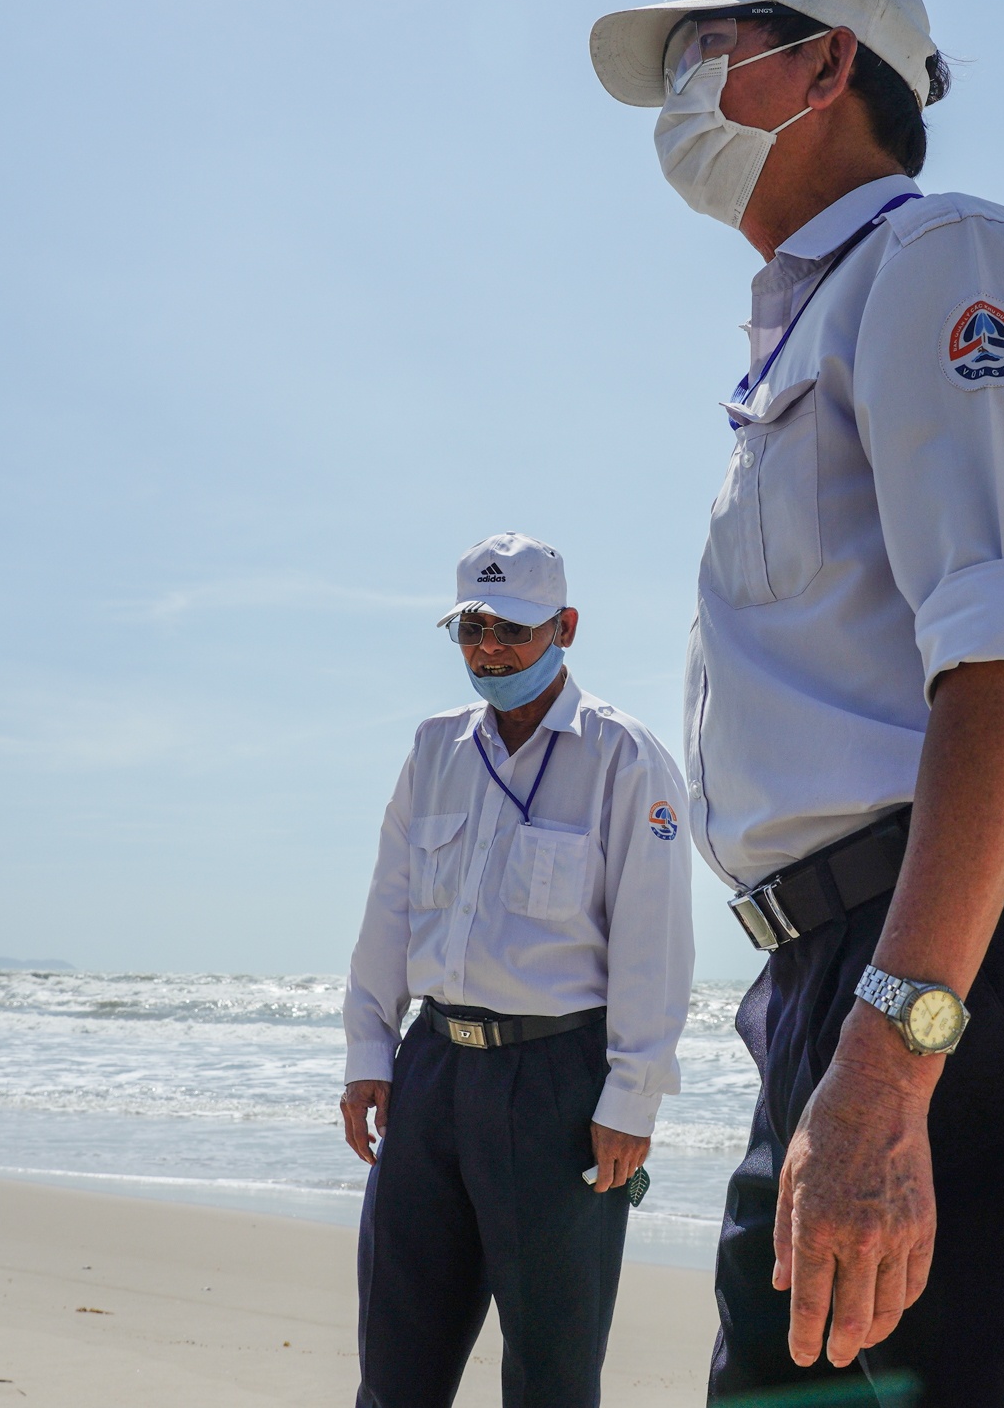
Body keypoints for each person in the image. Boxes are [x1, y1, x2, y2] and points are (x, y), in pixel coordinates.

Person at [589, 0, 1004, 1406]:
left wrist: (895, 1052)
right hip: (862, 959)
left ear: (829, 60)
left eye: (706, 50)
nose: (684, 89)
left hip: (961, 941)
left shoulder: (943, 256)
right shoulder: (814, 319)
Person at [341, 533, 694, 1408]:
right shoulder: (434, 750)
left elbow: (656, 944)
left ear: (565, 626)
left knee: (550, 1372)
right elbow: (390, 908)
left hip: (556, 1087)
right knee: (395, 1359)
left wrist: (631, 1099)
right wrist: (368, 1054)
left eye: (512, 629)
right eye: (470, 629)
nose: (489, 649)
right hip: (434, 1071)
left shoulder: (625, 755)